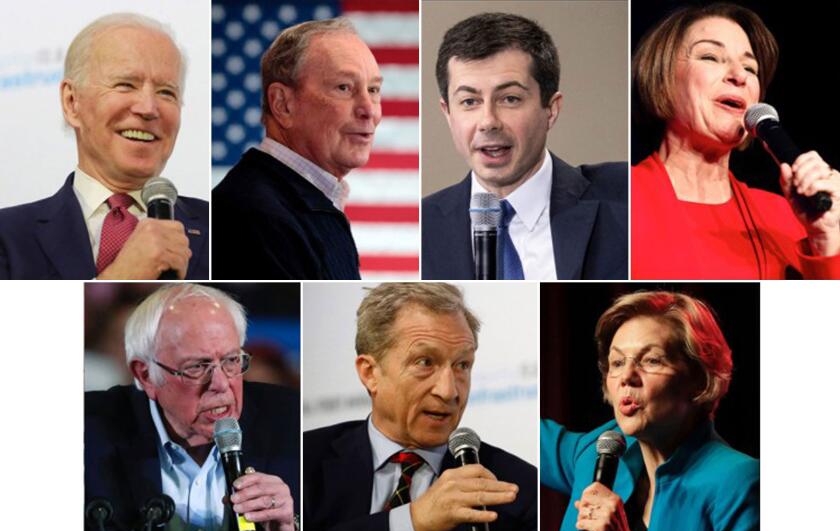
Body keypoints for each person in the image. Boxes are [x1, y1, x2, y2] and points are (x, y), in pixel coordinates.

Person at [304, 283, 537, 531]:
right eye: (425, 362)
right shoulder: (305, 458)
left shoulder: (518, 489)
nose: (449, 391)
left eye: (462, 365)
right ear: (370, 373)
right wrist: (412, 524)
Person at [85, 284, 300, 531]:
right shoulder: (87, 429)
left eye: (232, 361)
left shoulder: (290, 419)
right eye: (196, 367)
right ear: (146, 375)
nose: (221, 384)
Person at [541, 291, 758, 531]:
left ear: (701, 379)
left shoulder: (739, 482)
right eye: (617, 363)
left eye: (651, 360)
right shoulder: (599, 450)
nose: (627, 377)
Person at [632, 2, 840, 279]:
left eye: (750, 68)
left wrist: (826, 240)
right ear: (662, 80)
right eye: (710, 57)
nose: (739, 76)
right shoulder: (619, 200)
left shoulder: (787, 219)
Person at [0, 13, 208, 280]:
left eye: (166, 92)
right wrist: (122, 275)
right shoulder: (8, 236)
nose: (148, 108)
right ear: (72, 102)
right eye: (125, 85)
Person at [422, 12, 627, 280]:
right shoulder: (421, 227)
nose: (488, 122)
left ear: (551, 110)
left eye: (509, 99)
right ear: (447, 113)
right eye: (470, 102)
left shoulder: (625, 196)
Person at [212, 18, 382, 280]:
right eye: (344, 87)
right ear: (282, 104)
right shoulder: (251, 214)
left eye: (373, 89)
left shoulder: (307, 204)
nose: (369, 109)